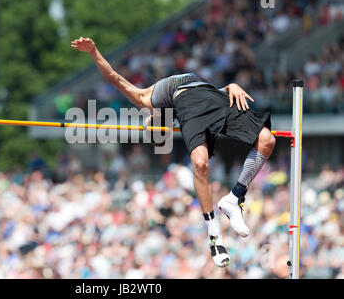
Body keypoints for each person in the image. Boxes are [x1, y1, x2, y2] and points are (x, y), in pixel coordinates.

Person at [71, 37, 276, 267]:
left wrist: (231, 86)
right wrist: (94, 53)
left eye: (159, 127)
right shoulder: (156, 102)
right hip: (188, 106)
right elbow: (114, 78)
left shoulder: (148, 97)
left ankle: (234, 197)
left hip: (213, 96)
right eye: (162, 131)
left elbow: (115, 78)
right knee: (200, 164)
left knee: (267, 140)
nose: (163, 129)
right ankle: (214, 236)